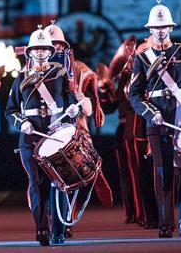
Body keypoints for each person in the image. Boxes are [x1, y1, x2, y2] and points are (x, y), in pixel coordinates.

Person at [128, 0, 181, 238]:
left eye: (164, 26)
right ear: (150, 30)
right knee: (163, 172)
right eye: (156, 27)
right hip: (157, 120)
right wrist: (149, 112)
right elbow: (134, 94)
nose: (160, 30)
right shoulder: (142, 58)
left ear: (171, 28)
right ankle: (166, 222)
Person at [5, 25, 81, 246]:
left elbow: (70, 100)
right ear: (29, 52)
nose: (40, 53)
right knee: (36, 184)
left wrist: (74, 108)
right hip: (31, 138)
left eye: (44, 49)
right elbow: (10, 110)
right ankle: (42, 229)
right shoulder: (20, 78)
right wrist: (23, 122)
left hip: (56, 136)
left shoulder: (60, 73)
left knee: (58, 184)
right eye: (36, 49)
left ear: (50, 51)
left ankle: (59, 230)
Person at [44, 21, 113, 237]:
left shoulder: (81, 69)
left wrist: (84, 101)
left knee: (76, 174)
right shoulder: (33, 70)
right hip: (45, 131)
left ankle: (68, 218)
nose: (54, 49)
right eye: (49, 45)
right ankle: (57, 221)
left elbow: (92, 106)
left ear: (65, 47)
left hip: (75, 130)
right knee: (48, 180)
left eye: (57, 45)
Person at [102, 36, 158, 228]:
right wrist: (107, 87)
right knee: (129, 175)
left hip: (140, 124)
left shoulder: (150, 72)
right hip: (127, 126)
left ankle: (146, 214)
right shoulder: (127, 75)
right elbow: (114, 104)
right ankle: (135, 212)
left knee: (144, 173)